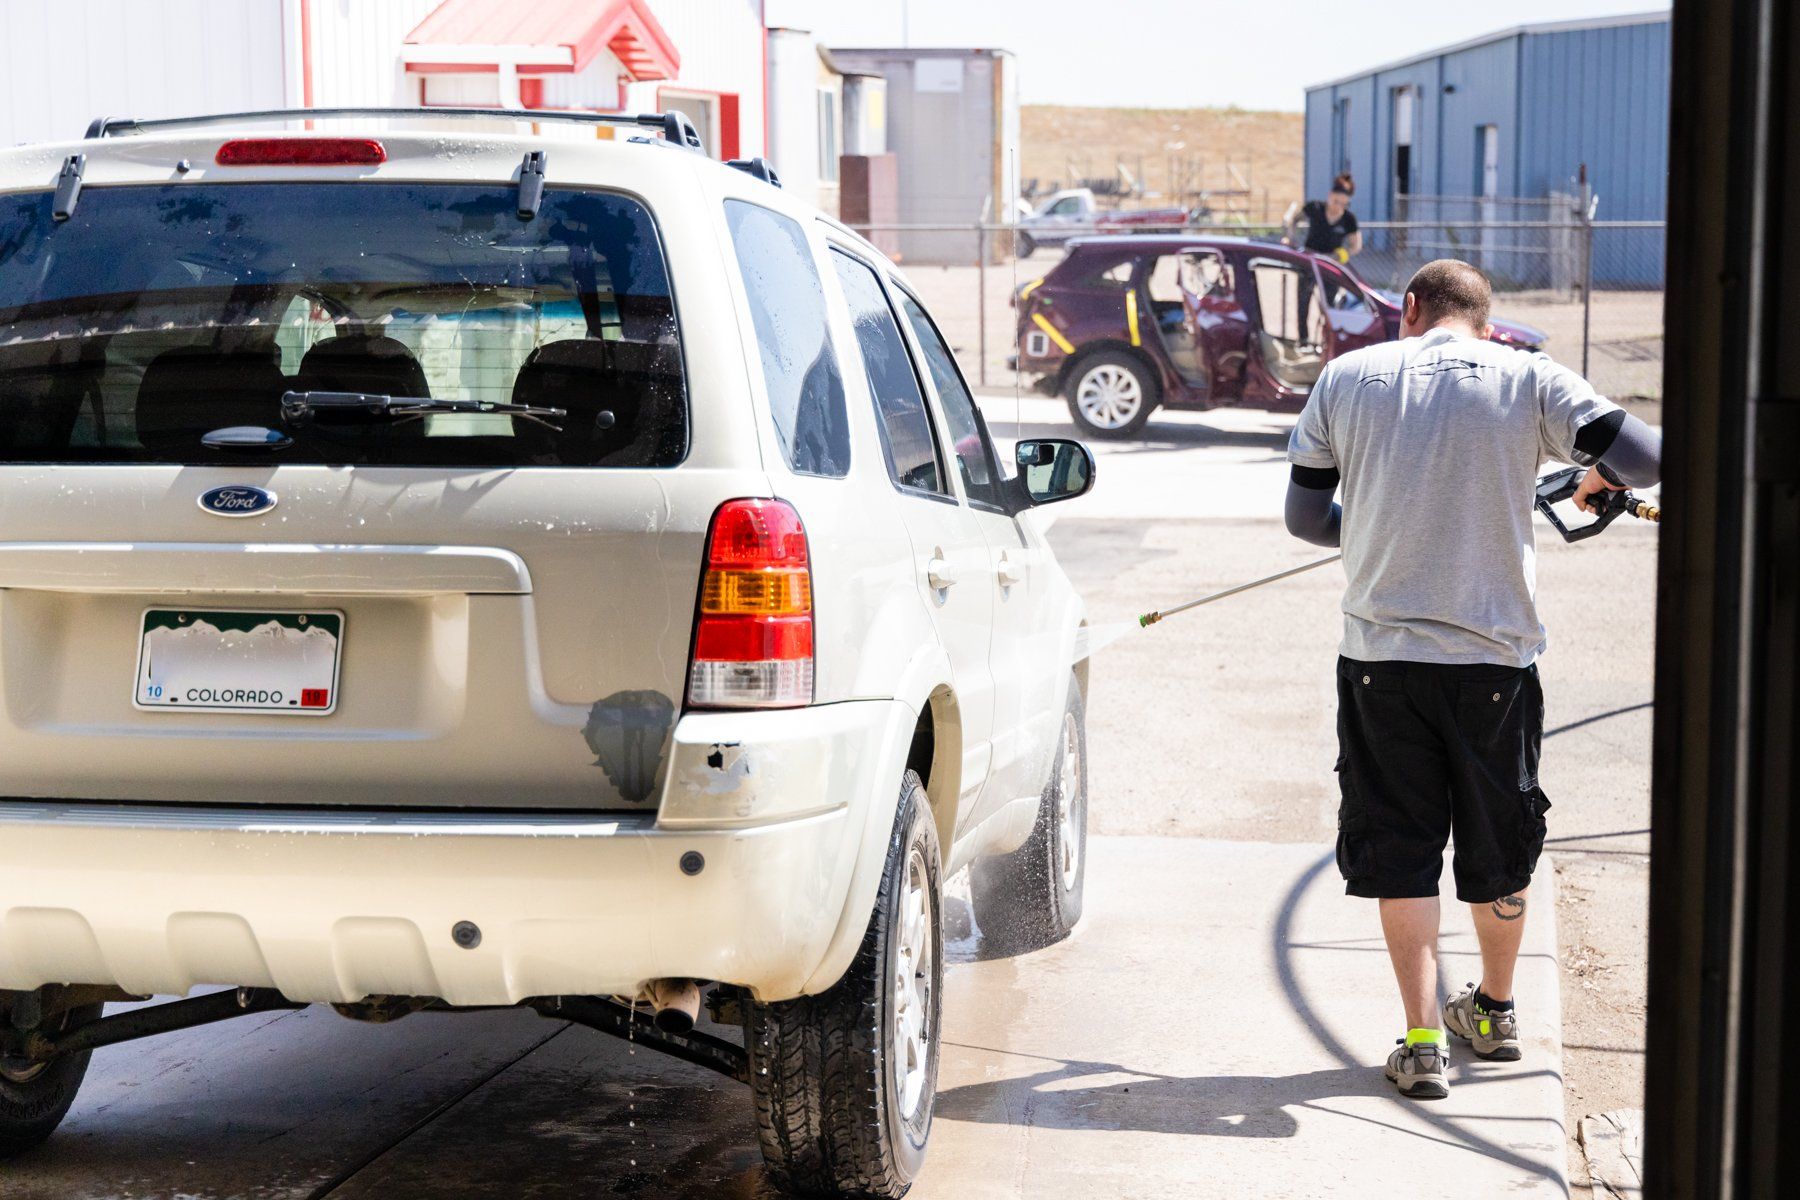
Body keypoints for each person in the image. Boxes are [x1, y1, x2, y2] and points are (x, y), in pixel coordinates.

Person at [1282, 259, 1660, 1100]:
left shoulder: (1347, 377)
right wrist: (1597, 479)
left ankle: (1421, 1043)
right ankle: (1492, 1012)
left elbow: (1307, 518)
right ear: (1486, 322)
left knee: (1403, 850)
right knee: (1501, 844)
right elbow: (1645, 457)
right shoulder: (1528, 376)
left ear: (1409, 309)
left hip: (1380, 666)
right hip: (1495, 665)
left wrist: (1377, 526)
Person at [1282, 174, 1361, 342]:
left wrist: (1342, 254)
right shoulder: (1315, 208)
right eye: (1335, 201)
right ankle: (1303, 339)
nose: (1337, 205)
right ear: (1329, 196)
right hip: (1309, 261)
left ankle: (1327, 341)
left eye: (1342, 203)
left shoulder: (1348, 219)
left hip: (1331, 265)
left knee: (1329, 306)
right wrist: (1290, 237)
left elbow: (1356, 245)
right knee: (1303, 301)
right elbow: (1295, 220)